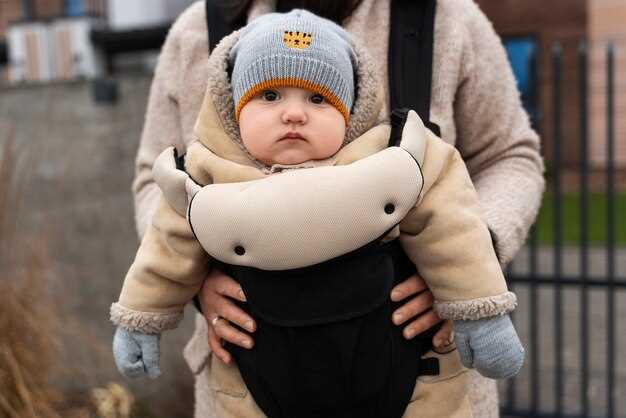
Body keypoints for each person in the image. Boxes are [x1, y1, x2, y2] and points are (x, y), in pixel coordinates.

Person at [126, 1, 544, 417]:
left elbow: (509, 156)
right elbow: (156, 178)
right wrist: (194, 275)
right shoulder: (199, 29)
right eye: (271, 96)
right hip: (244, 380)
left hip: (426, 379)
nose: (293, 112)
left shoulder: (446, 19)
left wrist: (464, 266)